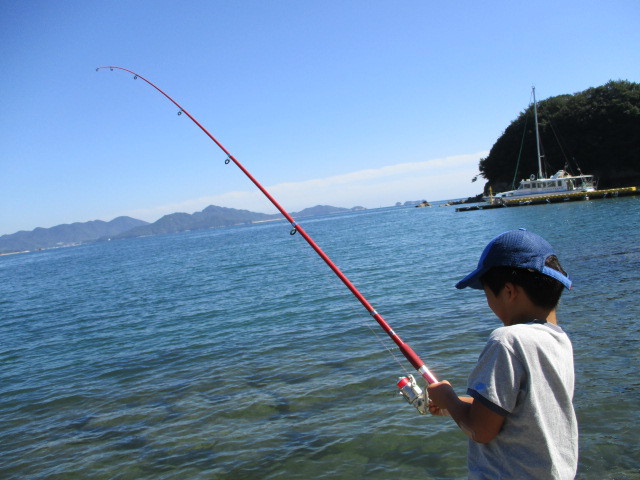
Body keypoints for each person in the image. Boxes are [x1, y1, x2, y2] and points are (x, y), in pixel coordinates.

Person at [427, 228, 578, 479]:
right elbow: (526, 412)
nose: (489, 303)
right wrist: (451, 406)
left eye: (487, 294)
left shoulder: (507, 340)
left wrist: (450, 399)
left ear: (509, 291)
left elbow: (481, 431)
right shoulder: (558, 340)